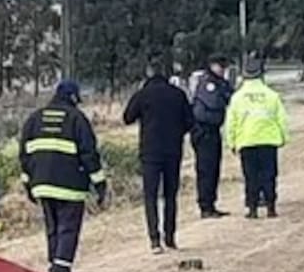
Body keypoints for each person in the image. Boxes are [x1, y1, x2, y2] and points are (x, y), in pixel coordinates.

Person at [19, 79, 106, 272]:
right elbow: (89, 154)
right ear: (73, 97)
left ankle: (56, 269)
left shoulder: (34, 119)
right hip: (70, 185)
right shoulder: (77, 119)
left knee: (53, 228)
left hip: (42, 184)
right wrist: (100, 183)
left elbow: (24, 155)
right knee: (68, 228)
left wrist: (28, 183)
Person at [123, 53, 194, 253]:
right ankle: (170, 237)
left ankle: (154, 239)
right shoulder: (178, 94)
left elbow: (127, 117)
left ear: (148, 73)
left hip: (150, 151)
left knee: (151, 196)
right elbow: (190, 122)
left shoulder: (143, 94)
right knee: (171, 195)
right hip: (173, 150)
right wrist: (177, 132)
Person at [225, 56, 289, 219]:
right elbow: (282, 119)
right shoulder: (272, 95)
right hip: (269, 140)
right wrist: (284, 137)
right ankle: (271, 207)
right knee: (269, 175)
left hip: (247, 141)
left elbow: (231, 122)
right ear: (261, 75)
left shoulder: (237, 97)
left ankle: (252, 209)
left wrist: (231, 142)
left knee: (251, 176)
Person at [190, 55, 234, 219]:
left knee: (213, 169)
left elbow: (231, 97)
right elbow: (214, 103)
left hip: (213, 130)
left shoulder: (220, 83)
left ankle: (210, 204)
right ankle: (206, 206)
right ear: (212, 66)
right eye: (220, 66)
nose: (222, 70)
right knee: (206, 169)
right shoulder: (208, 83)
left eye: (224, 67)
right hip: (203, 130)